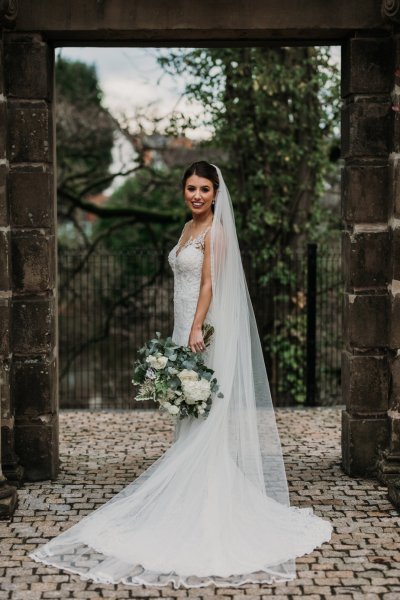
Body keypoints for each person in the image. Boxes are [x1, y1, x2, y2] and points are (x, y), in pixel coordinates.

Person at [29, 161, 333, 589]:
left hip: (203, 332)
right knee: (187, 416)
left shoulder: (216, 233)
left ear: (215, 194)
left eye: (203, 189)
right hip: (182, 330)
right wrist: (180, 331)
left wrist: (196, 327)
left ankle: (207, 505)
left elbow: (210, 283)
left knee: (204, 417)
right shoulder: (187, 228)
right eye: (190, 188)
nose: (196, 195)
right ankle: (188, 499)